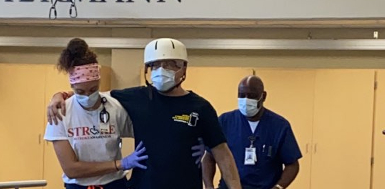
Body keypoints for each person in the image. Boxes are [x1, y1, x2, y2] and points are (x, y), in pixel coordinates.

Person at [48, 38, 242, 189]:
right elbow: (90, 94)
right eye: (156, 65)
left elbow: (223, 155)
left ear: (183, 68)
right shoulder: (135, 98)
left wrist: (203, 147)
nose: (162, 70)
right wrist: (59, 95)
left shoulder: (201, 108)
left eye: (170, 64)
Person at [43, 38, 148, 189]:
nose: (87, 96)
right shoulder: (60, 114)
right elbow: (71, 169)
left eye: (93, 90)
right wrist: (120, 164)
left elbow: (146, 131)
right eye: (80, 91)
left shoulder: (115, 107)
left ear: (99, 83)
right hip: (79, 185)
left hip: (114, 184)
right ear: (72, 86)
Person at [202, 75, 302, 189]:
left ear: (263, 96)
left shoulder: (280, 126)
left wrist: (278, 187)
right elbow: (209, 157)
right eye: (242, 95)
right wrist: (209, 186)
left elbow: (292, 165)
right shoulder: (225, 122)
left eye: (251, 96)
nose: (246, 100)